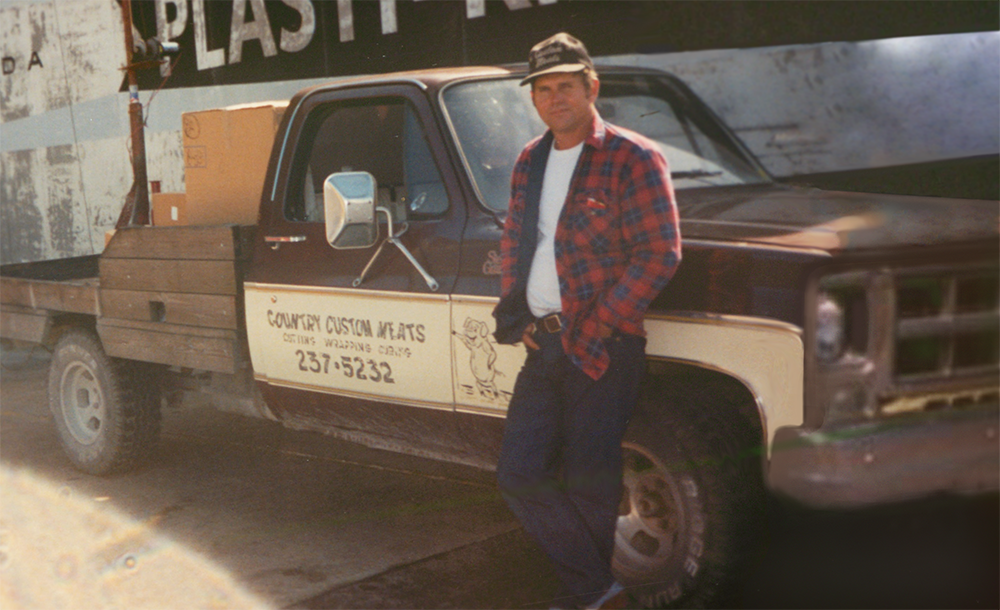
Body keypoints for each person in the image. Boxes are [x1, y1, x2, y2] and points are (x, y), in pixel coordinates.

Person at [492, 33, 681, 610]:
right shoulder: (530, 159)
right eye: (544, 89)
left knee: (588, 479)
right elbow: (516, 242)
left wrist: (599, 324)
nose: (555, 98)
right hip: (543, 344)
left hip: (604, 346)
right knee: (519, 472)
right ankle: (600, 591)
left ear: (591, 87)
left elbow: (661, 252)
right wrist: (515, 314)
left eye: (566, 86)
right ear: (535, 97)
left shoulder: (634, 156)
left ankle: (590, 597)